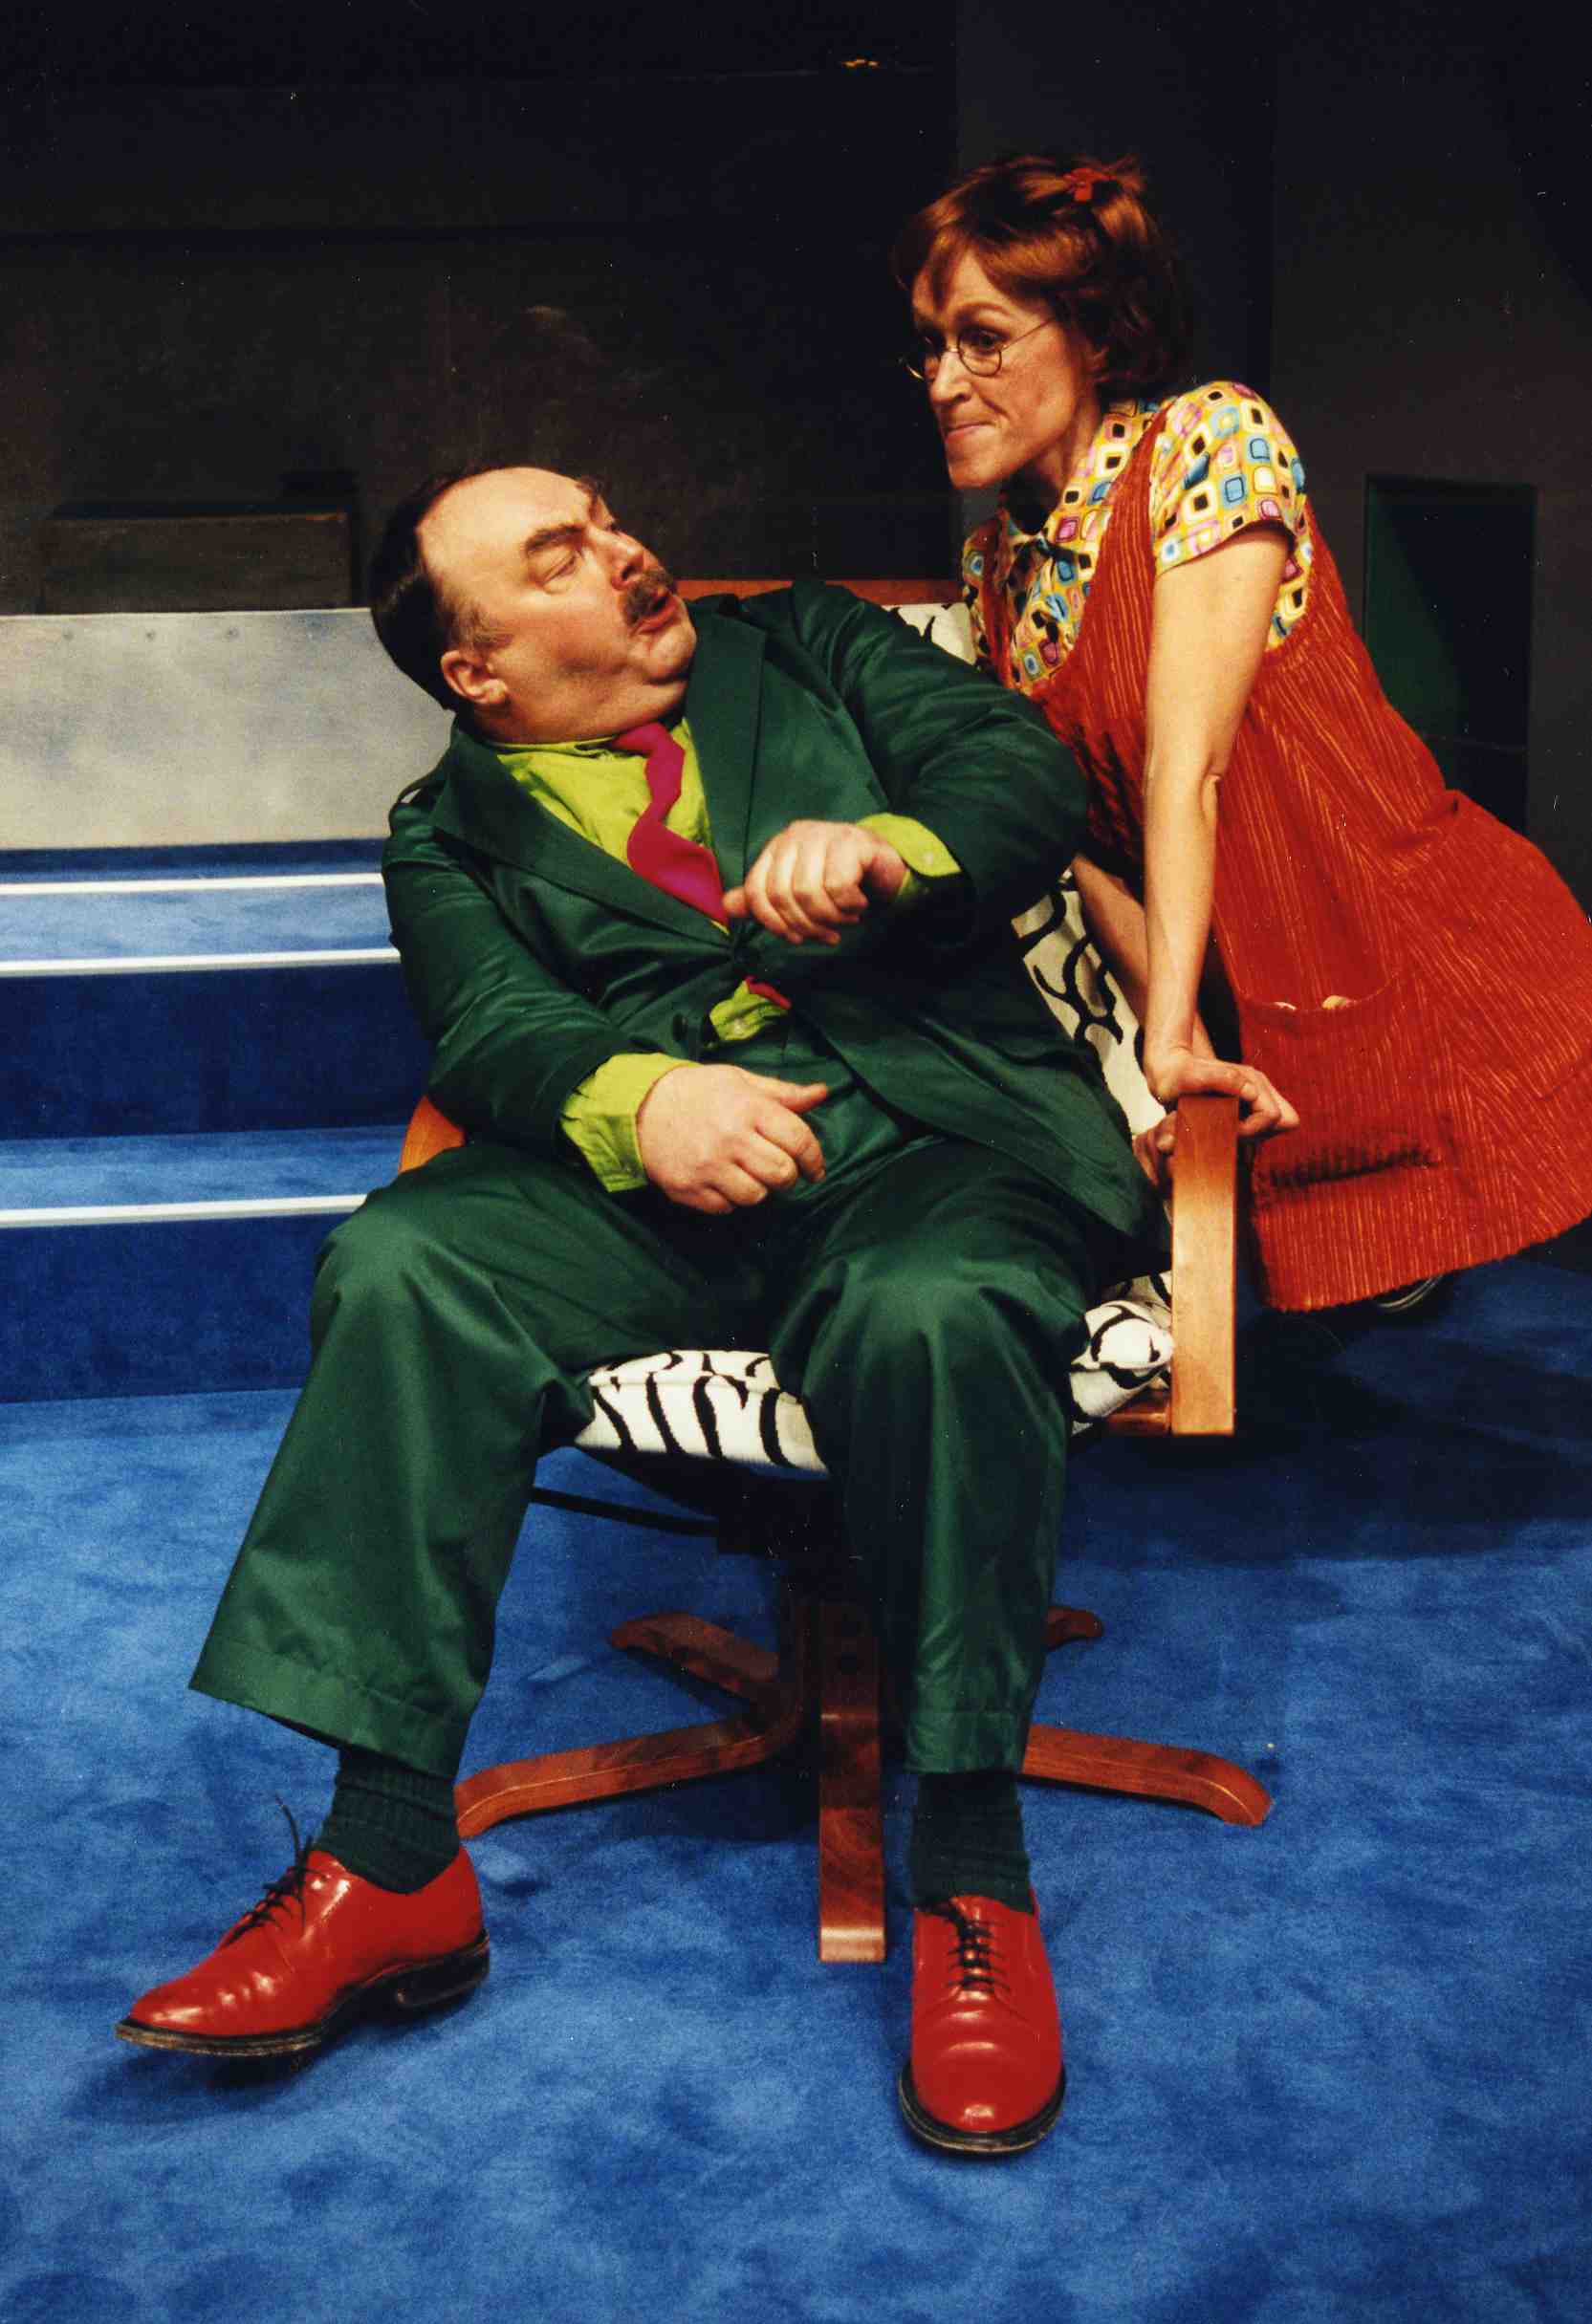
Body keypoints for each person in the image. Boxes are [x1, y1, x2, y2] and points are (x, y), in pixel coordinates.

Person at [116, 462, 1165, 2158]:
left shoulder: (813, 644)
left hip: (932, 1143)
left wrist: (893, 847)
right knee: (408, 1260)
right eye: (560, 556)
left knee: (933, 1303)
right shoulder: (442, 830)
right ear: (478, 666)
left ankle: (973, 1873)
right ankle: (390, 1861)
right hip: (664, 1194)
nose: (622, 550)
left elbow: (1019, 774)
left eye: (604, 519)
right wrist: (640, 1097)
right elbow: (493, 1031)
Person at [894, 153, 1592, 1313]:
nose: (943, 384)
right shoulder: (996, 570)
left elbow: (1189, 766)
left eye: (983, 340)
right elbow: (1092, 848)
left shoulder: (1209, 443)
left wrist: (1167, 1033)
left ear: (1094, 335)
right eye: (929, 347)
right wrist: (1178, 1054)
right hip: (1284, 1032)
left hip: (1435, 969)